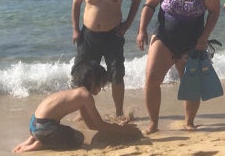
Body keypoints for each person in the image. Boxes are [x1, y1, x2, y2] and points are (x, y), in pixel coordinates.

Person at [136, 0, 221, 134]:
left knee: (191, 85)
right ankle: (153, 123)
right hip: (164, 37)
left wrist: (204, 37)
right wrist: (142, 30)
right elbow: (149, 5)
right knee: (151, 80)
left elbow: (215, 11)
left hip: (193, 42)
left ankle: (189, 122)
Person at [71, 0, 141, 120]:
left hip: (113, 35)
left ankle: (119, 113)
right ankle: (83, 112)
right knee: (82, 74)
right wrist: (75, 29)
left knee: (117, 72)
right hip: (89, 36)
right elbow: (76, 4)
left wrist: (127, 24)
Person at [12, 61, 141, 153]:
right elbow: (99, 125)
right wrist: (122, 129)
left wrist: (112, 126)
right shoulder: (85, 96)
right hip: (45, 128)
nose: (102, 87)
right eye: (101, 83)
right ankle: (40, 144)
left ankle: (31, 140)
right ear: (92, 80)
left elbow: (92, 125)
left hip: (34, 125)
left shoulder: (77, 93)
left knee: (58, 129)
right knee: (78, 138)